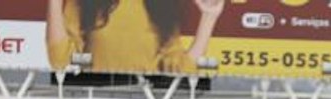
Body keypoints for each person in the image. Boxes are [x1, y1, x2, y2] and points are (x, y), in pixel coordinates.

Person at [46, 0, 227, 74]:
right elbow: (60, 60)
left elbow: (181, 70)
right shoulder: (86, 3)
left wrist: (209, 18)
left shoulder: (163, 6)